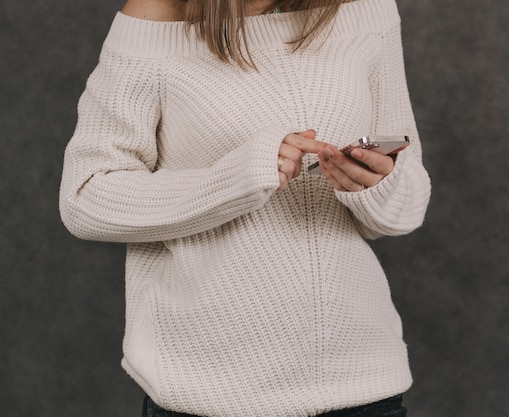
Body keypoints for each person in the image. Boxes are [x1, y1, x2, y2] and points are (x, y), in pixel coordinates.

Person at [59, 0, 431, 415]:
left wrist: (377, 184)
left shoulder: (365, 8)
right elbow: (86, 195)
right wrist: (236, 179)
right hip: (209, 391)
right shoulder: (157, 13)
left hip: (365, 382)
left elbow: (409, 198)